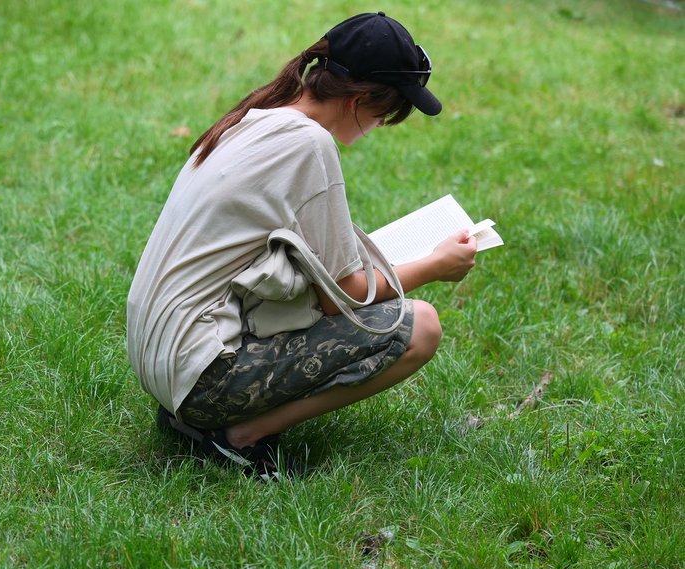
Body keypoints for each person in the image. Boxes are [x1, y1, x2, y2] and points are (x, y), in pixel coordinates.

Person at [126, 12, 477, 480]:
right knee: (422, 328)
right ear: (361, 99)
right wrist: (435, 265)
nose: (379, 126)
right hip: (202, 379)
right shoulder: (310, 145)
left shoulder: (255, 118)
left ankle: (194, 421)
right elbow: (343, 297)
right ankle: (238, 437)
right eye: (384, 113)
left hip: (160, 360)